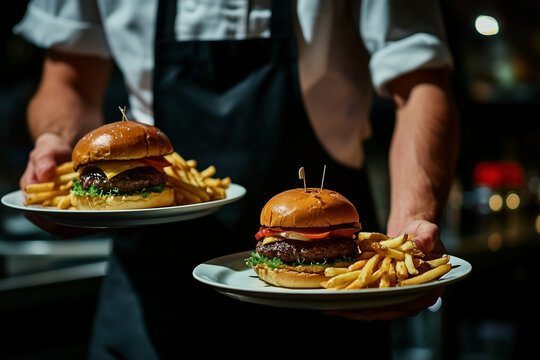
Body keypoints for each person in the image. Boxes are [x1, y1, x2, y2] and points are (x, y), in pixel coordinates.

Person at [14, 0, 459, 358]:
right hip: (149, 278)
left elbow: (421, 82)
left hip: (330, 300)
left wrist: (410, 230)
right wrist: (55, 141)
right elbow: (67, 78)